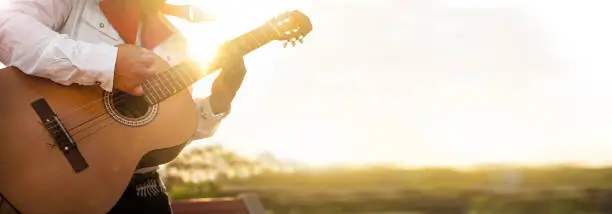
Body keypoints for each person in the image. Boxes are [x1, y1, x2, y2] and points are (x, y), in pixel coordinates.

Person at [0, 0, 249, 213]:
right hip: (36, 173)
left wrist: (220, 100)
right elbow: (8, 30)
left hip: (141, 193)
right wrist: (108, 65)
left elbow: (167, 134)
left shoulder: (175, 43)